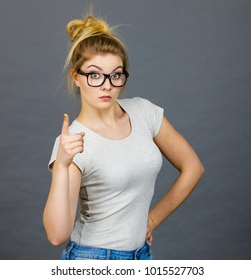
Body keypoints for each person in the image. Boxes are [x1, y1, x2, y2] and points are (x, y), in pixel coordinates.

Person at [43, 11, 205, 260]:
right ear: (77, 77)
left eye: (115, 75)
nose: (106, 85)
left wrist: (152, 219)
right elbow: (56, 234)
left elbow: (193, 167)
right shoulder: (73, 142)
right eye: (94, 75)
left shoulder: (144, 112)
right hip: (94, 258)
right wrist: (62, 165)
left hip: (141, 253)